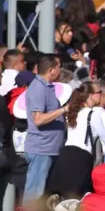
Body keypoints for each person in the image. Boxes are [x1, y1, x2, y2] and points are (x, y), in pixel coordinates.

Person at [23, 54, 68, 200]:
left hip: (49, 149)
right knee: (34, 194)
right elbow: (38, 119)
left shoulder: (47, 87)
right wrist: (62, 110)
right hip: (41, 149)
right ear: (51, 70)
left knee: (41, 194)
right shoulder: (38, 88)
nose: (60, 69)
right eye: (58, 66)